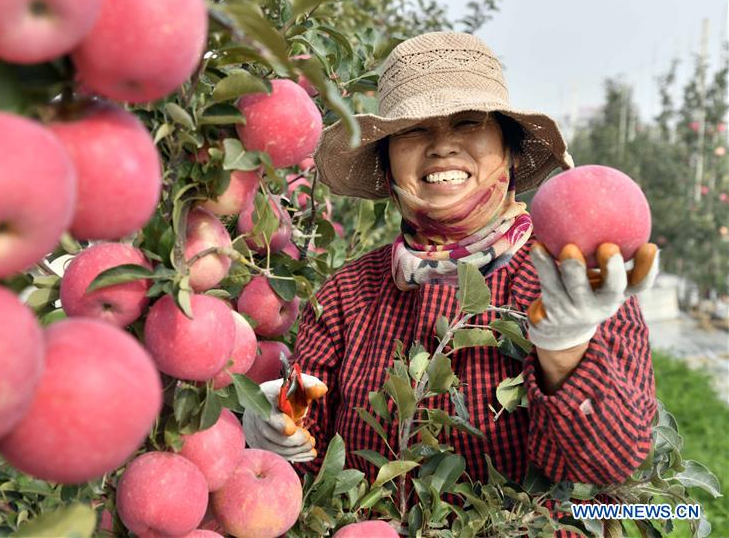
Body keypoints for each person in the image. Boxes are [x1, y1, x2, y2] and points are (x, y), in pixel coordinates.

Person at [242, 32, 660, 531]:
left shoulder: (571, 284)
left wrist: (568, 350)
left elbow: (608, 465)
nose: (442, 145)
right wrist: (276, 432)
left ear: (508, 147)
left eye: (468, 122)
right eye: (414, 130)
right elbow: (309, 462)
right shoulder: (347, 295)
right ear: (388, 159)